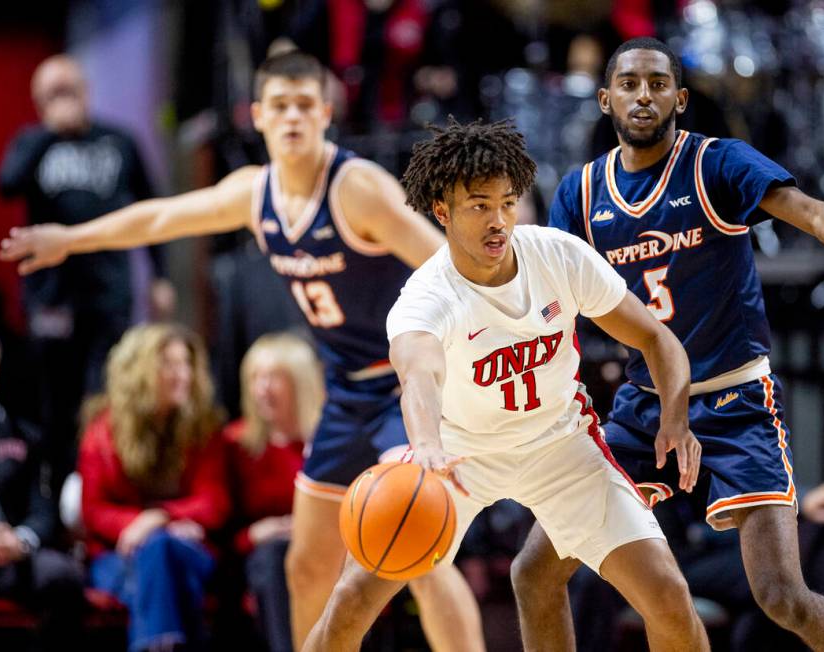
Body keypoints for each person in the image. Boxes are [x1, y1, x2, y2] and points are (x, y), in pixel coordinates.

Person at [0, 49, 484, 651]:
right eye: (279, 106)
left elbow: (452, 271)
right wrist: (70, 238)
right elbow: (161, 220)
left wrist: (475, 363)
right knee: (306, 563)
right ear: (257, 115)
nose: (292, 119)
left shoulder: (357, 188)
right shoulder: (254, 194)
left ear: (326, 113)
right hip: (344, 394)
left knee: (421, 556)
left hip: (403, 386)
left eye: (305, 106)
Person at [511, 37, 824, 652]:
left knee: (781, 596)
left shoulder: (716, 164)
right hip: (642, 408)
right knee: (534, 570)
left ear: (681, 98)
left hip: (734, 401)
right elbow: (547, 303)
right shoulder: (581, 193)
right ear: (605, 98)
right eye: (631, 84)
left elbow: (814, 215)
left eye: (658, 84)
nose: (644, 95)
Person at [302, 118, 709, 651]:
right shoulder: (424, 298)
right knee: (352, 599)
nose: (498, 221)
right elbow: (417, 376)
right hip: (457, 454)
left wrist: (676, 418)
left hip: (562, 445)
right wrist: (424, 446)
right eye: (479, 206)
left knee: (668, 596)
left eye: (508, 203)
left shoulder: (558, 256)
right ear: (442, 212)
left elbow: (658, 340)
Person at [0, 54, 174, 487]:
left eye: (70, 90)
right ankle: (56, 496)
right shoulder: (32, 142)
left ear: (86, 91)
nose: (64, 100)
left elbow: (151, 208)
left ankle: (98, 490)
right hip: (52, 298)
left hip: (108, 293)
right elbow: (6, 184)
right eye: (52, 94)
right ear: (39, 101)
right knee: (55, 404)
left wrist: (160, 275)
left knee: (104, 397)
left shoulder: (118, 141)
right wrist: (48, 133)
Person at [78, 323, 230, 651]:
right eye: (169, 365)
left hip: (188, 550)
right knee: (172, 579)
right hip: (118, 557)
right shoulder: (103, 430)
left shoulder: (203, 426)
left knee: (160, 550)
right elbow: (92, 511)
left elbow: (214, 502)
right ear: (139, 372)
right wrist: (140, 528)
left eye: (186, 364)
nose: (183, 375)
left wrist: (157, 519)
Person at [0, 313, 85, 651]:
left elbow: (43, 508)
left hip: (11, 553)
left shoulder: (23, 436)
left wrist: (21, 540)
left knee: (64, 575)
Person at [224, 333, 323, 652]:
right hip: (259, 559)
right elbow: (221, 526)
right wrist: (255, 533)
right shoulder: (236, 444)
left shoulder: (328, 443)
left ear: (301, 383)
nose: (262, 388)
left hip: (325, 549)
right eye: (256, 377)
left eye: (274, 377)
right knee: (276, 556)